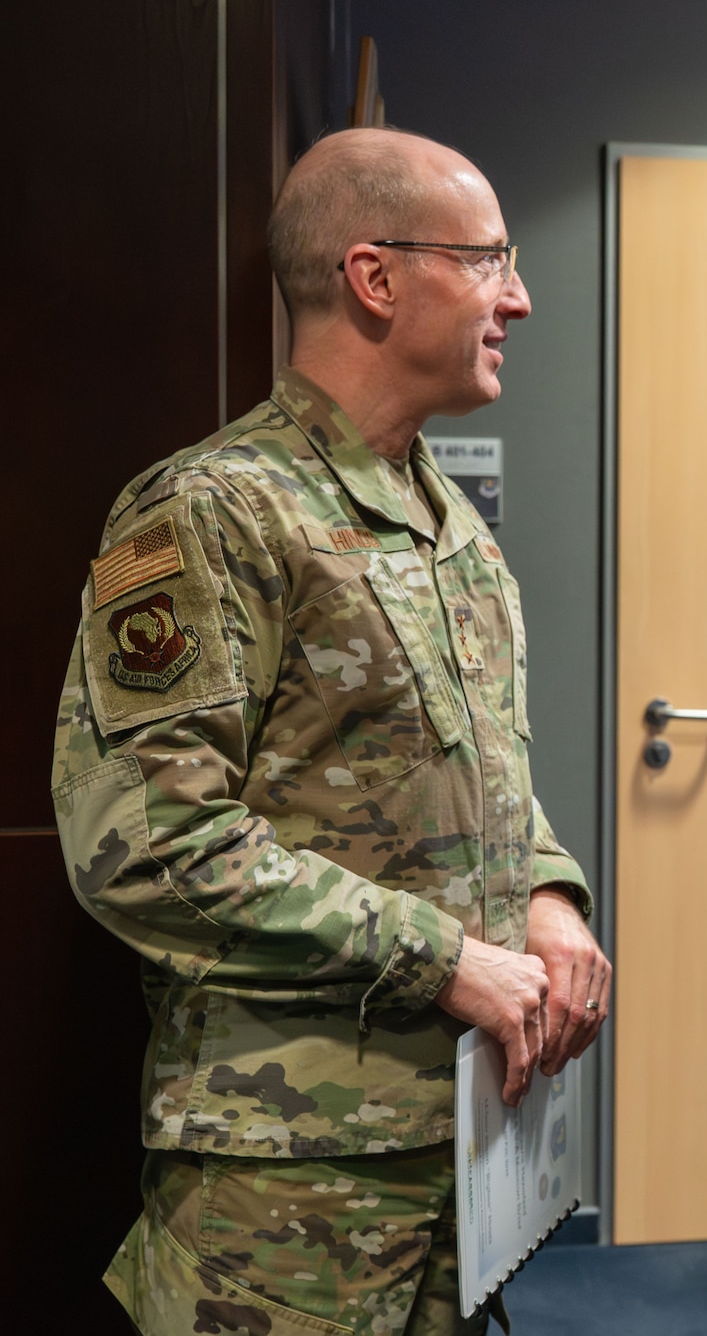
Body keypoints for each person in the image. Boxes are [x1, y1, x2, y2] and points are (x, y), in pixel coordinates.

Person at [53, 126, 612, 1335]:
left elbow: (479, 777)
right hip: (287, 1183)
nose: (519, 295)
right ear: (375, 277)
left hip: (457, 1153)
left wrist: (548, 896)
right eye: (490, 260)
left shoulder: (446, 518)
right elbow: (145, 845)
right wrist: (446, 957)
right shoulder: (209, 512)